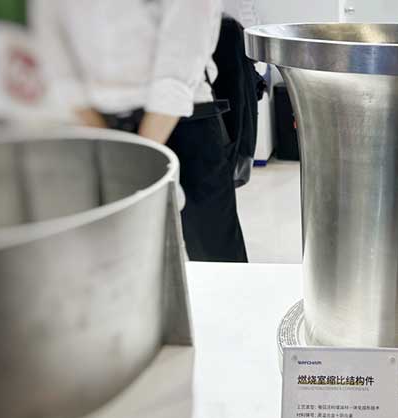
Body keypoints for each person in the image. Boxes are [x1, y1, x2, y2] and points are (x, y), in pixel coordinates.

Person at [30, 0, 248, 262]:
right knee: (110, 257)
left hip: (180, 120)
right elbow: (57, 64)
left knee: (212, 254)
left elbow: (181, 62)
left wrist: (135, 162)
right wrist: (109, 146)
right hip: (94, 125)